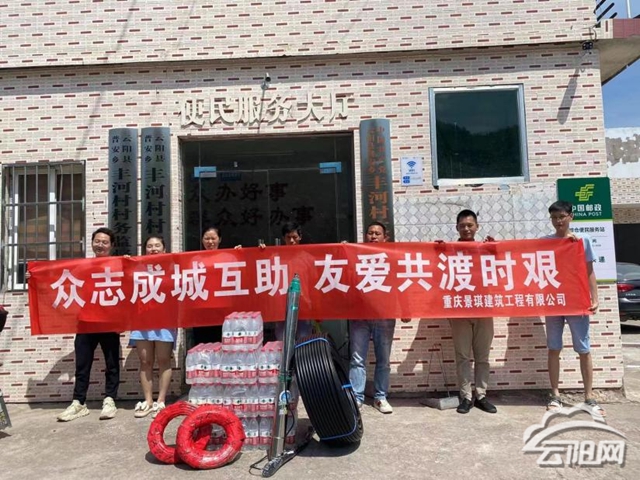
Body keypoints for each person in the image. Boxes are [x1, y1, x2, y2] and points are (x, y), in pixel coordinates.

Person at [543, 200, 604, 416]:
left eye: (561, 217)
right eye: (554, 218)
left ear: (571, 216)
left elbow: (589, 271)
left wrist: (594, 297)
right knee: (554, 348)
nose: (558, 221)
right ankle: (555, 395)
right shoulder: (545, 242)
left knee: (583, 349)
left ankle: (589, 397)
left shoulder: (582, 241)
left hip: (577, 302)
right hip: (553, 301)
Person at [56, 227, 121, 422]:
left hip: (109, 322)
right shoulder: (82, 266)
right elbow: (60, 279)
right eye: (97, 241)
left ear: (111, 246)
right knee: (82, 364)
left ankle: (110, 400)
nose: (100, 245)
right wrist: (34, 277)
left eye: (105, 242)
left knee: (112, 364)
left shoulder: (118, 265)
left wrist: (129, 263)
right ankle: (79, 402)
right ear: (92, 243)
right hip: (85, 322)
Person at [349, 221, 405, 414]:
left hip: (384, 316)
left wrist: (405, 309)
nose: (373, 236)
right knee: (357, 359)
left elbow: (402, 284)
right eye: (370, 233)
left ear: (385, 237)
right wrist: (343, 252)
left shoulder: (392, 258)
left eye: (377, 233)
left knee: (384, 360)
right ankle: (356, 398)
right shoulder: (357, 256)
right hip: (360, 316)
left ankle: (380, 397)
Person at [447, 209, 497, 415]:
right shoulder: (450, 251)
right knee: (462, 356)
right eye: (462, 226)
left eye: (470, 225)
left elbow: (502, 270)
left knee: (483, 356)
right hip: (459, 309)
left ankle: (481, 395)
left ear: (477, 227)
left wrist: (494, 250)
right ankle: (466, 396)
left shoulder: (485, 249)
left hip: (483, 307)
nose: (466, 229)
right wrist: (435, 250)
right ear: (456, 228)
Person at [130, 236, 176, 418]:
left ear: (164, 249)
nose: (153, 249)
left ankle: (161, 401)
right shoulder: (137, 268)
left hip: (165, 320)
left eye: (157, 245)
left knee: (164, 360)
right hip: (142, 320)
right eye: (149, 246)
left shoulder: (173, 268)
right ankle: (148, 401)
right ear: (144, 250)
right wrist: (124, 263)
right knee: (145, 362)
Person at [274, 222, 314, 341]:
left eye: (294, 237)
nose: (291, 240)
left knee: (303, 341)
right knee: (282, 341)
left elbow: (314, 285)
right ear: (283, 238)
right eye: (288, 237)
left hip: (304, 307)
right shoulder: (276, 258)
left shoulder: (308, 259)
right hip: (282, 308)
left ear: (300, 237)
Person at [192, 226, 225, 345]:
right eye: (206, 238)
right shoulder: (194, 259)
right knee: (202, 347)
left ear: (219, 239)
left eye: (213, 238)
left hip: (223, 311)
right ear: (202, 240)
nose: (210, 242)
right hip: (201, 312)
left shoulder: (228, 257)